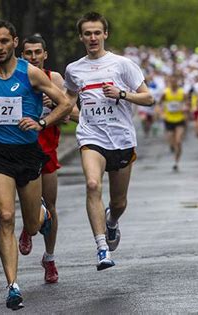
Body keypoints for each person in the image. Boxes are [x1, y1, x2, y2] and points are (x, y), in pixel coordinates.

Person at [0, 20, 72, 309]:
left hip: (28, 154)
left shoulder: (30, 73)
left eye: (4, 41)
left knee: (31, 224)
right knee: (5, 216)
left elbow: (65, 104)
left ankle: (41, 214)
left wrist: (42, 122)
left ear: (14, 42)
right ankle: (13, 286)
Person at [63, 12, 154, 270]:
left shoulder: (122, 65)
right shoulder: (74, 69)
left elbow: (148, 99)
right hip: (92, 138)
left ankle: (112, 222)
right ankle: (102, 248)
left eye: (96, 33)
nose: (92, 38)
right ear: (81, 37)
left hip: (122, 139)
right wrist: (53, 110)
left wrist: (122, 93)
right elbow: (68, 101)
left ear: (105, 34)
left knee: (118, 202)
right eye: (87, 33)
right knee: (92, 185)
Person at [18, 34, 70, 284]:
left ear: (45, 55)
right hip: (21, 149)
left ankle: (49, 258)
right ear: (22, 55)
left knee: (50, 206)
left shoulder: (55, 79)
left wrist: (53, 104)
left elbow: (67, 115)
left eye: (37, 52)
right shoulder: (15, 79)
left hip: (48, 149)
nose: (33, 57)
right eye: (28, 53)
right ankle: (29, 228)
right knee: (30, 210)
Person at [160, 75, 188, 171]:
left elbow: (188, 103)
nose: (174, 83)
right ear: (170, 83)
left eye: (175, 81)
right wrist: (162, 113)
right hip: (169, 119)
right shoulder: (165, 93)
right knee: (172, 142)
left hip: (180, 119)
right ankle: (173, 149)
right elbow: (159, 103)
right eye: (172, 82)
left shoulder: (182, 92)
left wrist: (186, 108)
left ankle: (176, 162)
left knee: (178, 141)